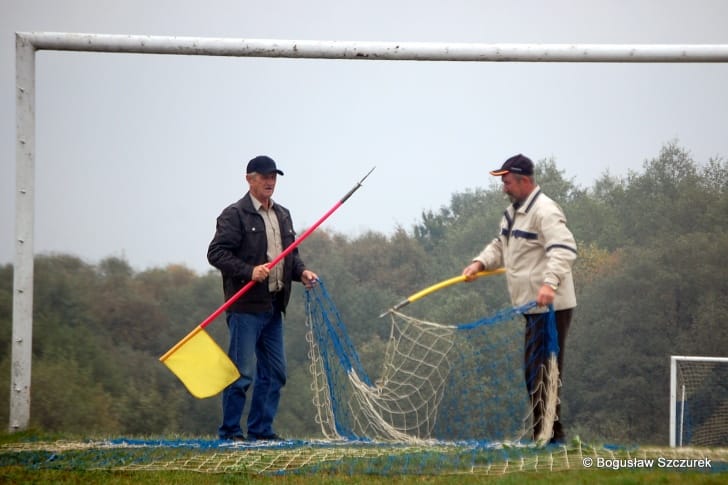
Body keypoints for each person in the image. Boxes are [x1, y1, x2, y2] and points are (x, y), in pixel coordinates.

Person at [461, 154, 577, 444]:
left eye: (508, 182)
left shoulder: (545, 211)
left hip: (551, 307)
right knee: (535, 373)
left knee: (543, 372)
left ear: (525, 181)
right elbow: (500, 244)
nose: (504, 188)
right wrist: (479, 263)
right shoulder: (513, 213)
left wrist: (550, 284)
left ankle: (549, 436)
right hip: (531, 307)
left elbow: (564, 249)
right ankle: (548, 434)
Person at [208, 155, 318, 442]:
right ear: (249, 179)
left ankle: (260, 430)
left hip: (274, 307)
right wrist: (249, 271)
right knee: (241, 373)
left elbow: (289, 256)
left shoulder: (282, 214)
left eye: (274, 177)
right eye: (264, 176)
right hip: (244, 308)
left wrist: (302, 272)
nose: (270, 181)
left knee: (275, 373)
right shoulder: (234, 215)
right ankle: (230, 431)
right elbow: (216, 253)